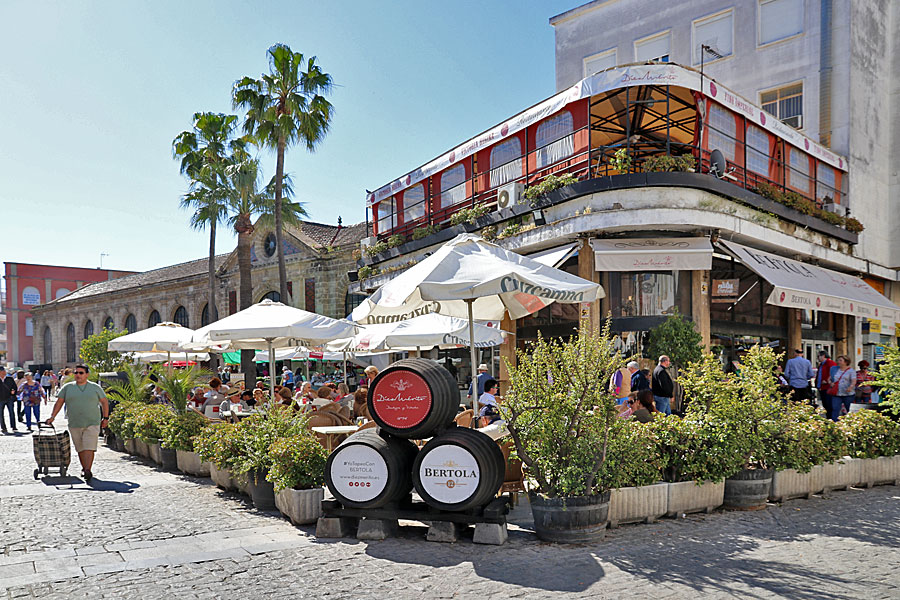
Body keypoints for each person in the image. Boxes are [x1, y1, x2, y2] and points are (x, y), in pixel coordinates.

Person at [46, 364, 109, 483]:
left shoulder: (95, 387)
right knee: (80, 448)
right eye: (76, 373)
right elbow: (59, 403)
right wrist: (52, 417)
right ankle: (84, 467)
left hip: (92, 422)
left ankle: (87, 470)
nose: (78, 375)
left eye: (81, 373)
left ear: (87, 375)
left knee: (89, 447)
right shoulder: (67, 387)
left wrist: (105, 418)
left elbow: (104, 402)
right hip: (74, 422)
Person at [828, 355, 856, 421]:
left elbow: (853, 381)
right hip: (837, 393)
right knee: (835, 408)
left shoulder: (851, 371)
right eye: (838, 360)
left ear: (846, 362)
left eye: (840, 360)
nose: (838, 362)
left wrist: (851, 387)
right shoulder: (835, 369)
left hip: (848, 394)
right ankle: (834, 423)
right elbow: (829, 378)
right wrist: (830, 383)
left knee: (849, 409)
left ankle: (850, 422)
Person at [816, 351, 837, 418]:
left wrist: (828, 381)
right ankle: (828, 418)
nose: (817, 358)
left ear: (823, 356)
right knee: (825, 404)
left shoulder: (830, 363)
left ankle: (831, 418)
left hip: (828, 387)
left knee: (829, 404)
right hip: (822, 387)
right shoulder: (821, 365)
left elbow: (834, 374)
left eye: (818, 356)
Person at [0, 367, 19, 433]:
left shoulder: (10, 379)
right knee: (0, 414)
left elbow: (15, 387)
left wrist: (13, 391)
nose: (4, 373)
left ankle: (13, 426)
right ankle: (3, 428)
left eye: (4, 371)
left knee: (12, 413)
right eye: (3, 371)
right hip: (0, 399)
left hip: (9, 398)